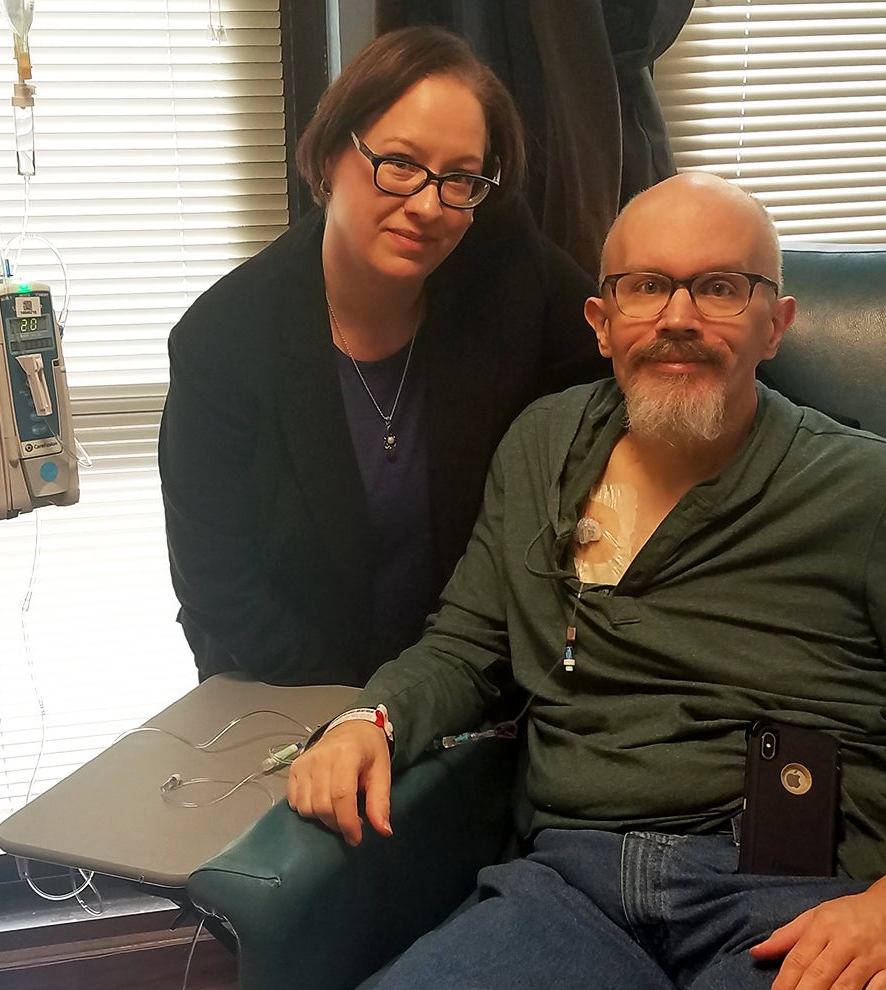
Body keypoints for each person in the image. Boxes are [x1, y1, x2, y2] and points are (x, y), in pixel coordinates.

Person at [287, 172, 886, 989]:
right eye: (646, 288)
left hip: (797, 904)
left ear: (777, 325)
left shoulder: (883, 495)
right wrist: (368, 719)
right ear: (602, 322)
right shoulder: (543, 447)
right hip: (568, 890)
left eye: (721, 289)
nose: (678, 320)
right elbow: (465, 645)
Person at [159, 26, 606, 686]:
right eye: (399, 163)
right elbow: (220, 589)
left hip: (470, 690)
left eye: (460, 178)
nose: (428, 205)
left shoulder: (501, 264)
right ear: (333, 152)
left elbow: (613, 357)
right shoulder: (223, 340)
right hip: (293, 690)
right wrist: (364, 718)